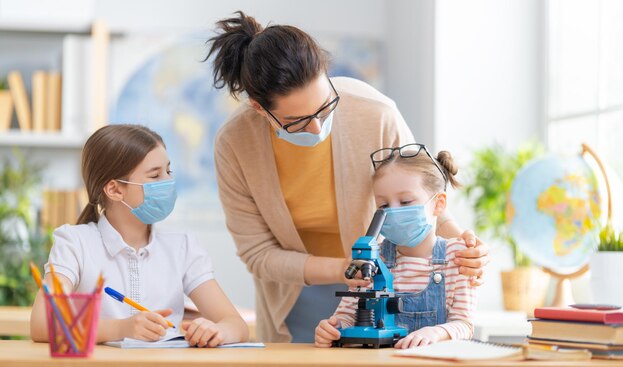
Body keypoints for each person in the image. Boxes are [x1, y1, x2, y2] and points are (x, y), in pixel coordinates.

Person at [206, 11, 488, 342]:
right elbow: (258, 254)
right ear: (259, 109)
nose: (316, 127)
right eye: (296, 121)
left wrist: (464, 250)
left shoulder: (375, 112)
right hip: (295, 293)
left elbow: (421, 194)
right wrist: (347, 269)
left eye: (325, 107)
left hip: (385, 277)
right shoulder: (235, 144)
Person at [30, 124, 248, 347]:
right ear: (114, 189)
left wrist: (217, 331)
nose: (168, 181)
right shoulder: (74, 243)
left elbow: (236, 325)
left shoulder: (182, 247)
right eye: (155, 175)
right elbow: (42, 323)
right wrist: (121, 328)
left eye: (168, 171)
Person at [315, 144, 475, 348]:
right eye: (383, 205)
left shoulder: (459, 257)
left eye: (406, 201)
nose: (393, 211)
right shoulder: (374, 258)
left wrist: (437, 332)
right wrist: (332, 329)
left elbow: (464, 324)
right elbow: (346, 316)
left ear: (438, 204)